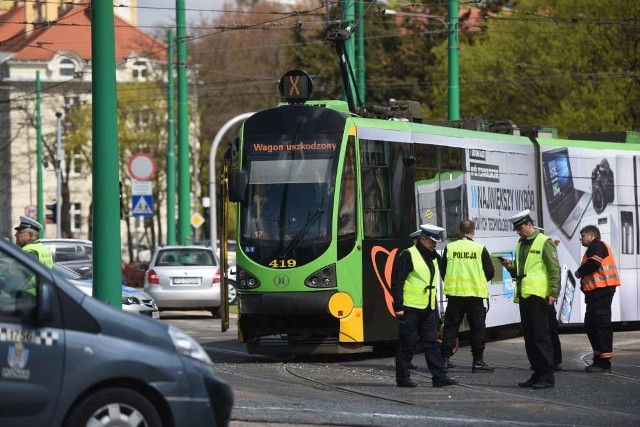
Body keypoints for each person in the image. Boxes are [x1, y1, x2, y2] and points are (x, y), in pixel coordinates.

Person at [391, 224, 458, 388]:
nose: (434, 245)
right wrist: (398, 306)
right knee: (407, 343)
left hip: (428, 309)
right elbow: (397, 282)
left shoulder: (433, 257)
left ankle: (439, 377)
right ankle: (402, 377)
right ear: (423, 239)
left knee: (431, 343)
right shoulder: (408, 255)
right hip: (409, 308)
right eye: (432, 242)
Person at [500, 209, 560, 390]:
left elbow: (554, 269)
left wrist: (553, 292)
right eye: (517, 229)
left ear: (529, 224)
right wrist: (510, 267)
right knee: (530, 338)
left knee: (541, 338)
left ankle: (547, 376)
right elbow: (520, 271)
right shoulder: (521, 244)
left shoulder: (545, 242)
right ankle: (537, 373)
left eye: (520, 228)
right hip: (525, 296)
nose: (518, 232)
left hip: (539, 297)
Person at [440, 220, 495, 373]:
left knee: (451, 327)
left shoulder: (450, 248)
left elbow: (443, 270)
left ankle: (445, 359)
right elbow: (490, 272)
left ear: (459, 232)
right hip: (475, 296)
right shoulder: (480, 249)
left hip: (455, 295)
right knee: (477, 328)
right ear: (473, 232)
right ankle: (477, 361)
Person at [574, 225, 620, 373]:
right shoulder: (593, 247)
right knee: (591, 324)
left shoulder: (597, 244)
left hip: (602, 291)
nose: (581, 239)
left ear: (592, 235)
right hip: (595, 293)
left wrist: (579, 272)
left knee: (600, 324)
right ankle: (598, 358)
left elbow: (594, 263)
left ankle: (604, 362)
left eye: (583, 235)